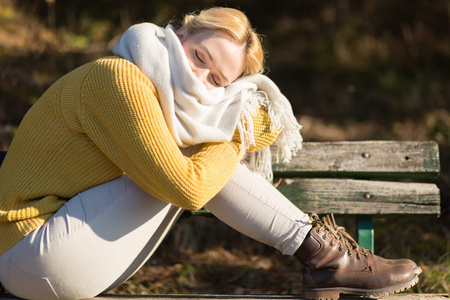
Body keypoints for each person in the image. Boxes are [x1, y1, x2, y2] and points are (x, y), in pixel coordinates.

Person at [0, 7, 420, 300]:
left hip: (68, 259)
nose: (200, 78)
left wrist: (226, 133)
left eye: (217, 81)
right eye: (199, 56)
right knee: (201, 161)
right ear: (179, 32)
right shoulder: (118, 79)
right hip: (31, 251)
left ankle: (328, 258)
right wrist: (237, 134)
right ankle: (327, 258)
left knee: (204, 151)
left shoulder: (167, 108)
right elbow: (189, 188)